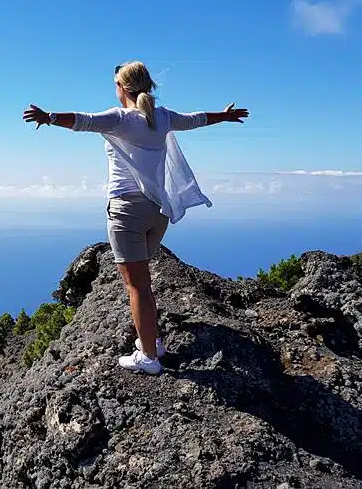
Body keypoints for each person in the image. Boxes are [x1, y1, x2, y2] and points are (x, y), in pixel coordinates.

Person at [22, 60, 248, 375]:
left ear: (123, 88)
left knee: (137, 287)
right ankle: (151, 343)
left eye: (116, 84)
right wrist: (224, 117)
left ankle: (149, 359)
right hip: (158, 211)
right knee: (143, 284)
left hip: (127, 211)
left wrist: (49, 118)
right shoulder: (163, 117)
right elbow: (196, 119)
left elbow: (83, 121)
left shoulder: (120, 119)